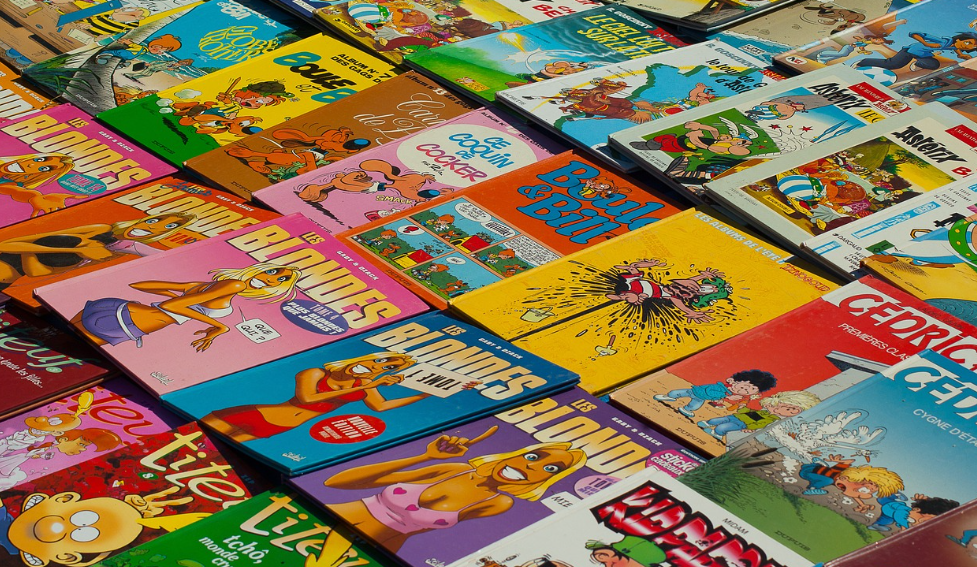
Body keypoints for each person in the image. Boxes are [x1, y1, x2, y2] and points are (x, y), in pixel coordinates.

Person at [324, 427, 586, 552]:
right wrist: (425, 457)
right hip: (328, 516)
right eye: (533, 457)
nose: (530, 466)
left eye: (550, 468)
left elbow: (417, 530)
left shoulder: (499, 503)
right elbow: (336, 482)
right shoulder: (455, 469)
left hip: (375, 548)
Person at [71, 262, 300, 352]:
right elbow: (173, 305)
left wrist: (184, 296)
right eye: (273, 271)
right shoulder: (235, 285)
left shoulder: (205, 285)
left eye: (281, 279)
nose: (272, 278)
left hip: (116, 308)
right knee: (69, 356)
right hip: (125, 323)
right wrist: (219, 326)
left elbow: (139, 285)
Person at [201, 353, 431, 442]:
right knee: (191, 440)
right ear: (370, 357)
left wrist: (425, 394)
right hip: (252, 414)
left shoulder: (364, 384)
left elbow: (381, 406)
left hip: (277, 427)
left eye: (389, 367)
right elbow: (308, 399)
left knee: (213, 457)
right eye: (381, 360)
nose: (379, 367)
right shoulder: (316, 373)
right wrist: (371, 385)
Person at [0, 213, 195, 291]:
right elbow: (6, 245)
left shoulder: (116, 252)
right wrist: (79, 248)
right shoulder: (101, 229)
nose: (152, 226)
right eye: (153, 220)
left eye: (168, 226)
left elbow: (38, 273)